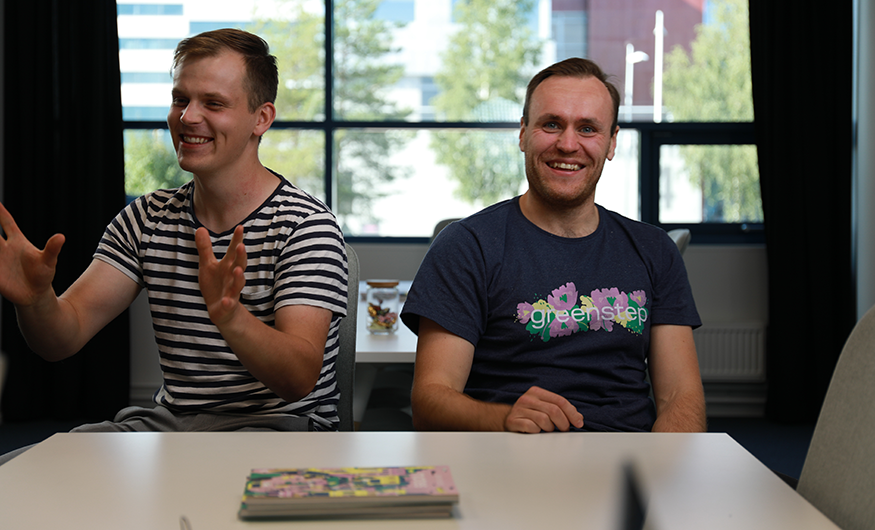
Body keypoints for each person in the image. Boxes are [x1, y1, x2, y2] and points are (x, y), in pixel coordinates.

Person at [0, 29, 348, 458]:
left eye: (213, 103)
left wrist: (230, 317)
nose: (187, 117)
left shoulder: (305, 226)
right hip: (170, 427)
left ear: (261, 118)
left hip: (279, 431)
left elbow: (299, 380)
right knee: (17, 472)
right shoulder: (147, 217)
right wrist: (35, 301)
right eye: (180, 99)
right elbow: (60, 340)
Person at [401, 57, 705, 434]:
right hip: (507, 452)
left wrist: (658, 467)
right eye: (551, 124)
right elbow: (430, 399)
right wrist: (503, 418)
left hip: (626, 457)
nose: (567, 144)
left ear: (612, 142)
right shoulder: (467, 246)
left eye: (588, 128)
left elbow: (680, 397)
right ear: (523, 134)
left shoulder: (655, 250)